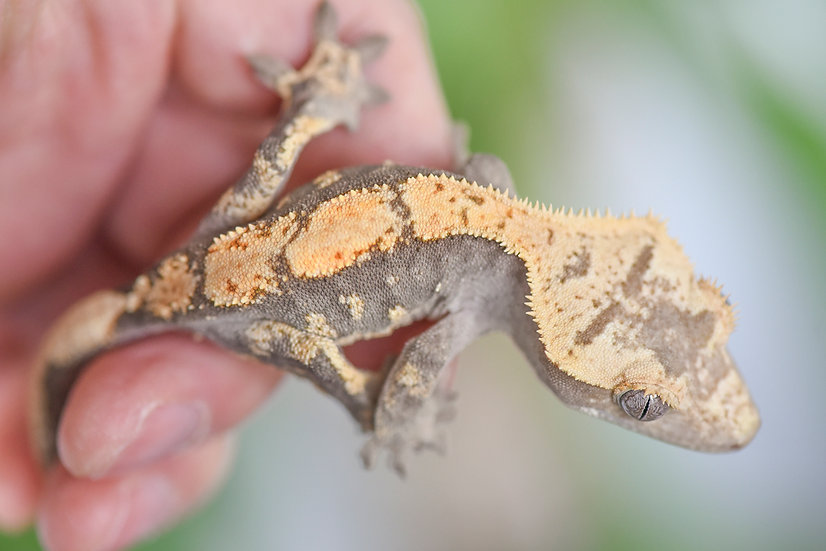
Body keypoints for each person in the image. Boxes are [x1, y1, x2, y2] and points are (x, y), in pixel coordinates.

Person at [0, 1, 453, 549]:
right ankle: (361, 397)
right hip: (224, 281)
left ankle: (311, 107)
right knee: (282, 347)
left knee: (276, 320)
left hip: (221, 268)